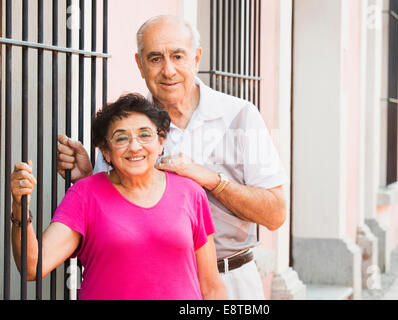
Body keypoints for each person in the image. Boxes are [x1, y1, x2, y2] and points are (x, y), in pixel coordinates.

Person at [57, 15, 287, 300]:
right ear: (139, 64)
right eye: (155, 59)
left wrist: (213, 180)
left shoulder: (240, 115)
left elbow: (275, 214)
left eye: (178, 56)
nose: (168, 70)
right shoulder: (126, 129)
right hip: (156, 287)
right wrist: (90, 177)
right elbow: (110, 216)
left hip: (232, 281)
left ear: (196, 58)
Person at [10, 93, 227, 300]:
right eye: (121, 138)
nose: (134, 146)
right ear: (106, 151)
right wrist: (20, 207)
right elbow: (33, 267)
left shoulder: (190, 193)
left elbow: (210, 286)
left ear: (161, 142)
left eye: (145, 134)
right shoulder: (85, 195)